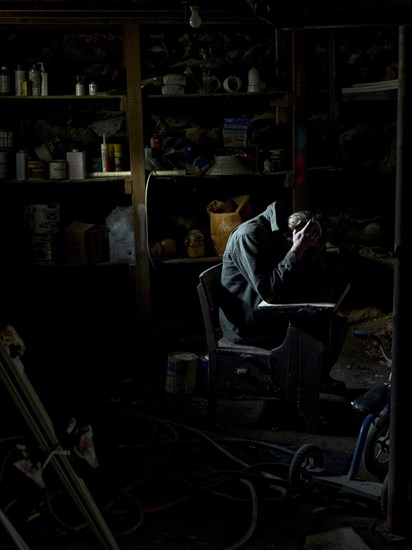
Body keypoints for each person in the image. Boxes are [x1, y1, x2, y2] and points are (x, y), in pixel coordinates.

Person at [219, 201, 348, 393]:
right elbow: (270, 292)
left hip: (271, 313)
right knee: (320, 332)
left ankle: (313, 381)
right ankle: (301, 389)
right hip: (249, 324)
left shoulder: (281, 231)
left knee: (336, 325)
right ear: (292, 235)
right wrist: (296, 250)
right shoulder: (249, 236)